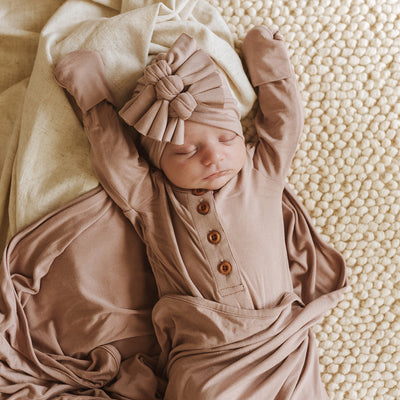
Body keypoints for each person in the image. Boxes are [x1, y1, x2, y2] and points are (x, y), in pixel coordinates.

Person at [55, 26, 345, 399]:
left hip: (281, 344)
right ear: (158, 164)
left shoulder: (260, 173)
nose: (213, 157)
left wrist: (268, 62)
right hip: (207, 352)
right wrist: (92, 96)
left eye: (226, 139)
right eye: (185, 152)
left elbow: (283, 124)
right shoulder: (152, 199)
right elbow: (116, 160)